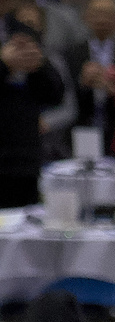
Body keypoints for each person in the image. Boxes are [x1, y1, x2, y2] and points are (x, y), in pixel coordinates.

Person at [0, 12, 65, 210]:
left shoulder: (22, 31)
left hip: (23, 161)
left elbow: (55, 94)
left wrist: (39, 66)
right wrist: (3, 65)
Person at [67, 0, 115, 155]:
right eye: (96, 14)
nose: (101, 19)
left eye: (107, 14)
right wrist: (83, 83)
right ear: (86, 17)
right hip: (82, 127)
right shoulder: (73, 53)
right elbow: (65, 95)